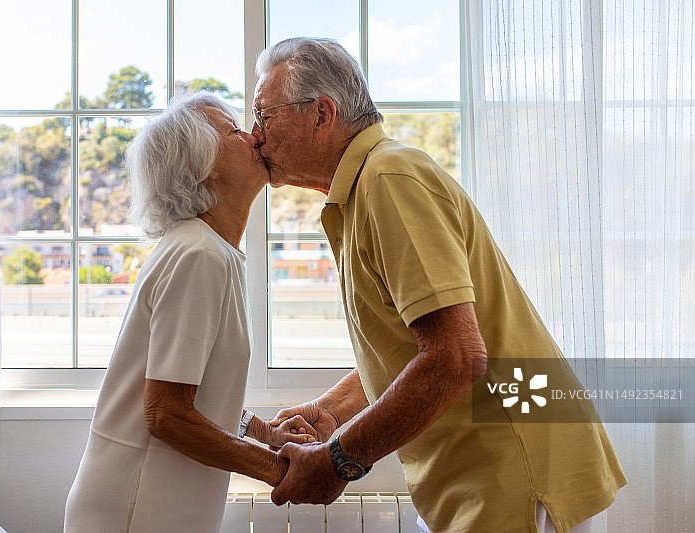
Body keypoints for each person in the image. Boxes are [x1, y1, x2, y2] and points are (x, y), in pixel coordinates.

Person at [251, 37, 627, 533]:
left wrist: (338, 460)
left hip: (512, 473)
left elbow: (455, 357)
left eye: (263, 114)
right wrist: (328, 411)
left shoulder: (389, 179)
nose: (254, 135)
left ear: (322, 114)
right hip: (491, 474)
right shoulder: (366, 188)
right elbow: (415, 346)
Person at [63, 92, 316, 533]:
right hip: (136, 510)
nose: (253, 135)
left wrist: (265, 432)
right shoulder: (198, 255)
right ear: (204, 168)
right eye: (234, 130)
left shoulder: (208, 251)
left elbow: (191, 392)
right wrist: (280, 469)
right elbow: (166, 413)